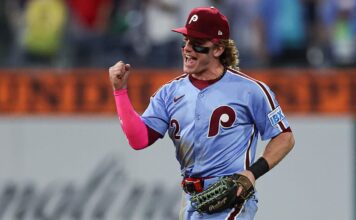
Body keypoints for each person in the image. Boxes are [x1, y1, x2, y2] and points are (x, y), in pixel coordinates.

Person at [108, 6, 295, 220]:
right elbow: (138, 139)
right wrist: (120, 92)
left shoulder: (250, 90)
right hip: (192, 201)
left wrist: (253, 172)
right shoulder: (170, 93)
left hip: (233, 197)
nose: (188, 49)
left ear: (218, 49)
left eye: (197, 44)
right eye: (186, 41)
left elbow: (284, 137)